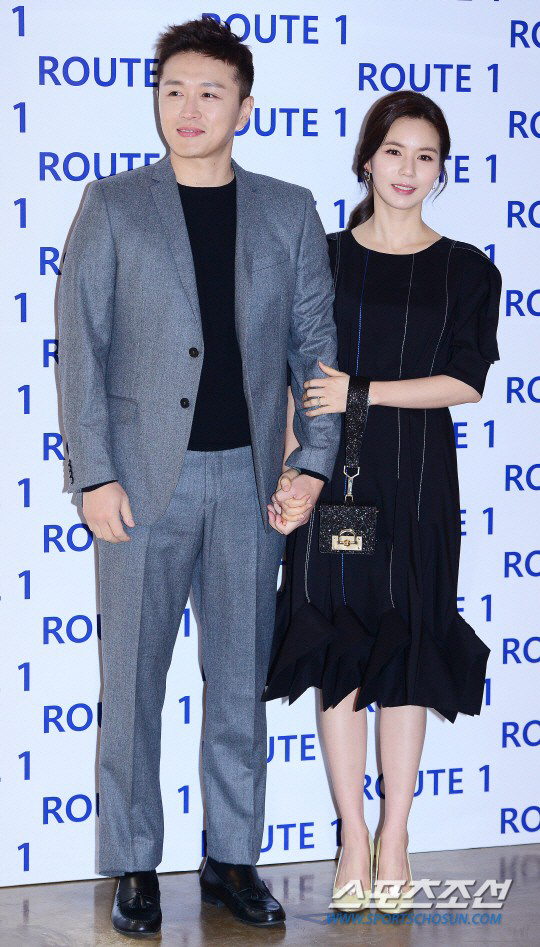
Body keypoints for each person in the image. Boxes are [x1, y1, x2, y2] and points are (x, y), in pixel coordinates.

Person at [58, 18, 339, 935]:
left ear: (244, 108)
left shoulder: (289, 210)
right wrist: (95, 473)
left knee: (238, 684)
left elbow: (315, 351)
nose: (189, 108)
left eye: (210, 92)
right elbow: (82, 348)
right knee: (134, 684)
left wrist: (312, 463)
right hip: (142, 489)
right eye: (173, 89)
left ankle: (232, 857)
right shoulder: (113, 205)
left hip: (253, 486)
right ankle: (135, 862)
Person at [264, 90, 501, 915]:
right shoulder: (323, 257)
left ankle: (396, 833)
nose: (408, 169)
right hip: (335, 477)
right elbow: (296, 377)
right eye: (394, 151)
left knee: (408, 646)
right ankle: (353, 832)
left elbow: (465, 381)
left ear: (441, 170)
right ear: (367, 158)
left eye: (425, 156)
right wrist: (292, 472)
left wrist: (360, 390)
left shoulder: (468, 268)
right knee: (337, 648)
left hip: (421, 480)